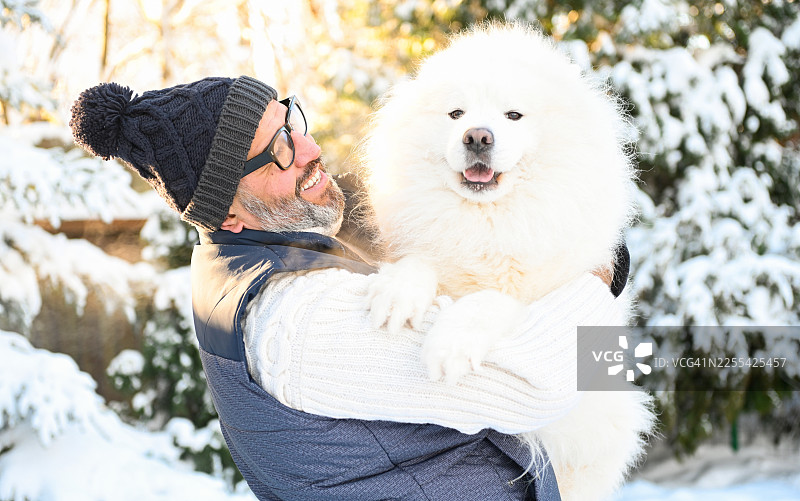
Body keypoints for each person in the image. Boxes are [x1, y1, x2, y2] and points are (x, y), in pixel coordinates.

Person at [70, 75, 628, 501]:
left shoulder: (261, 265)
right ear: (231, 212)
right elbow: (536, 383)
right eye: (277, 152)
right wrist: (595, 274)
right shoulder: (300, 324)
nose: (308, 150)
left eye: (292, 122)